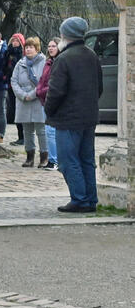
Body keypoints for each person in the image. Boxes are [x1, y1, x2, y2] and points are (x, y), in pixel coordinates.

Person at [44, 17, 102, 213]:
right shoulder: (91, 55)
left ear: (65, 35)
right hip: (88, 116)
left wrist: (49, 110)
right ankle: (90, 199)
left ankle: (80, 199)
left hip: (68, 118)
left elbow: (55, 91)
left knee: (68, 160)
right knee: (86, 159)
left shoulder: (64, 58)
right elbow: (99, 87)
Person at [11, 36, 48, 168]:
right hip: (23, 100)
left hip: (38, 99)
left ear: (37, 49)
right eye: (26, 47)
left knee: (41, 129)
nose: (28, 50)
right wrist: (22, 95)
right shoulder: (20, 63)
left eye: (31, 47)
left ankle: (44, 156)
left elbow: (44, 82)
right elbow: (14, 81)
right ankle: (29, 157)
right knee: (27, 131)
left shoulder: (44, 63)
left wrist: (32, 95)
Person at [36, 38, 59, 170]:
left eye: (54, 46)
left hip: (53, 100)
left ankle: (54, 160)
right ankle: (53, 159)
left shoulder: (59, 63)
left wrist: (42, 91)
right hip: (45, 100)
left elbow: (54, 84)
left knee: (51, 131)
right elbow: (42, 80)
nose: (50, 48)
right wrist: (39, 90)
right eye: (49, 46)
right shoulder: (48, 63)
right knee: (48, 131)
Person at [5, 32, 26, 145]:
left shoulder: (22, 55)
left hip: (20, 86)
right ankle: (20, 136)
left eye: (17, 41)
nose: (14, 43)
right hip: (10, 85)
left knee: (21, 112)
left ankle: (24, 137)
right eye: (13, 40)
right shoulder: (8, 53)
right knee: (14, 111)